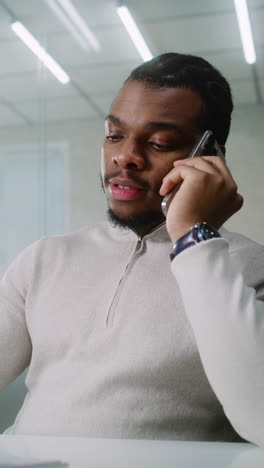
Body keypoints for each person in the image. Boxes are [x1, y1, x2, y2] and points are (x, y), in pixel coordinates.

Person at [1, 52, 264, 446]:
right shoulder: (45, 258)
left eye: (160, 142)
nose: (125, 156)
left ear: (208, 158)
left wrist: (194, 236)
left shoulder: (248, 267)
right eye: (114, 135)